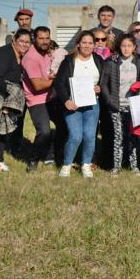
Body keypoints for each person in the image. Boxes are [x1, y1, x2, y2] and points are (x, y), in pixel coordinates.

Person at [55, 31, 103, 178]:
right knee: (75, 135)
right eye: (84, 42)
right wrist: (66, 100)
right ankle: (66, 165)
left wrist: (100, 87)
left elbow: (103, 80)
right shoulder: (69, 60)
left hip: (92, 104)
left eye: (90, 43)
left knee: (89, 136)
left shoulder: (98, 59)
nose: (87, 45)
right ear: (78, 44)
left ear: (94, 45)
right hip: (73, 104)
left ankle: (86, 165)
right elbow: (59, 83)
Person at [0, 29, 32, 173]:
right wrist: (10, 96)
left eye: (27, 42)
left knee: (4, 127)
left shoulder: (21, 56)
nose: (24, 44)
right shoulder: (4, 53)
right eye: (21, 41)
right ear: (14, 40)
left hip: (6, 94)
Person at [100, 34, 140, 175]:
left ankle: (134, 166)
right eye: (123, 46)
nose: (126, 49)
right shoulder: (111, 62)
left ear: (134, 47)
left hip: (134, 106)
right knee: (118, 136)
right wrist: (110, 101)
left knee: (133, 136)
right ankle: (117, 166)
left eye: (129, 46)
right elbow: (104, 84)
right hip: (117, 105)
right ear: (119, 47)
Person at [21, 26, 61, 172]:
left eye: (47, 38)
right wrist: (57, 80)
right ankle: (33, 159)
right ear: (34, 39)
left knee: (64, 124)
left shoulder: (47, 53)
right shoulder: (31, 58)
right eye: (41, 38)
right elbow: (37, 86)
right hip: (37, 100)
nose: (44, 41)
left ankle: (52, 155)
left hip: (51, 97)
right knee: (44, 131)